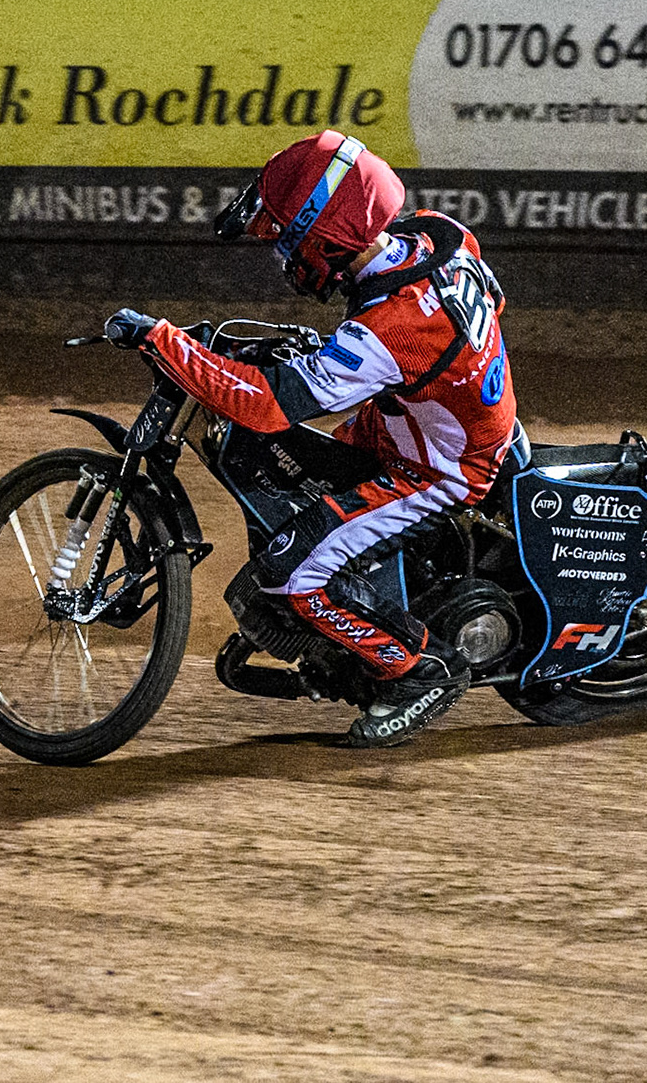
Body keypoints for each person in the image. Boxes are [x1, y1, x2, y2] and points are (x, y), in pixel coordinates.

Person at [102, 130, 517, 747]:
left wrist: (163, 341)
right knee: (304, 482)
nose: (285, 258)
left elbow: (267, 405)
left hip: (437, 470)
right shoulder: (437, 236)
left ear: (326, 235)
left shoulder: (392, 327)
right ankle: (356, 611)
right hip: (423, 423)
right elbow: (485, 305)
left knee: (290, 573)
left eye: (289, 242)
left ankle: (420, 671)